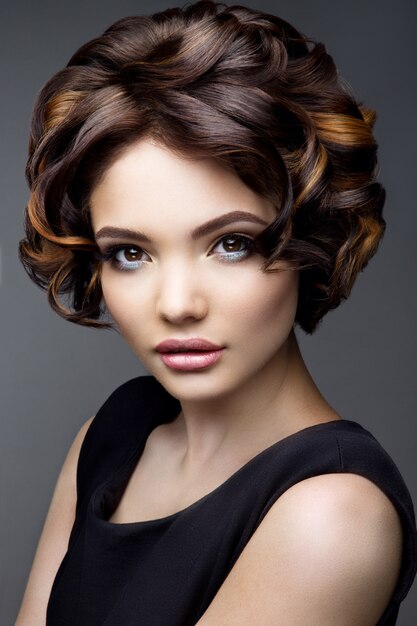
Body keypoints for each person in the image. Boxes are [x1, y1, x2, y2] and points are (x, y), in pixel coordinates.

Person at [15, 1, 416, 624]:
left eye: (231, 244)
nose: (176, 305)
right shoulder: (112, 434)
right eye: (129, 252)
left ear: (310, 241)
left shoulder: (332, 512)